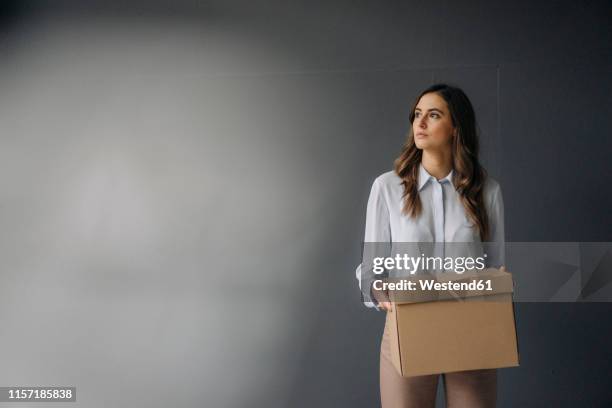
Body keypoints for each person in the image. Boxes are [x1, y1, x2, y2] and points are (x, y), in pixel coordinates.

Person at [356, 83, 504, 408]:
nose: (420, 123)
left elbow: (495, 267)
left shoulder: (486, 191)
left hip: (470, 327)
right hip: (408, 324)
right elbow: (371, 272)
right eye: (417, 115)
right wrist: (383, 295)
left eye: (433, 115)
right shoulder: (387, 187)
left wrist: (495, 289)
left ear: (455, 128)